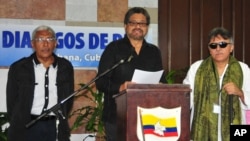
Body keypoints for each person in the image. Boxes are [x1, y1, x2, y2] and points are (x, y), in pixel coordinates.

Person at [95, 7, 166, 141]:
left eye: (142, 23)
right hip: (117, 116)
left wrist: (160, 86)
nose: (138, 26)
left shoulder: (154, 52)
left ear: (147, 27)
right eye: (133, 23)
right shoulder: (113, 49)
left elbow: (162, 79)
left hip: (148, 116)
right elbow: (101, 82)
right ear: (125, 26)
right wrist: (120, 87)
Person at [6, 25, 74, 141]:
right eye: (40, 40)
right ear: (33, 44)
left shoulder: (65, 67)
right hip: (26, 126)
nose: (45, 44)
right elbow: (11, 101)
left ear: (55, 43)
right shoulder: (19, 67)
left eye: (49, 39)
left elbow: (68, 99)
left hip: (54, 126)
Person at [183, 27, 250, 141]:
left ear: (231, 47)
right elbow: (185, 98)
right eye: (213, 46)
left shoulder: (243, 69)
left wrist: (240, 92)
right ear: (209, 49)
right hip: (203, 128)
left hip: (235, 127)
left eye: (223, 44)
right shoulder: (197, 68)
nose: (218, 49)